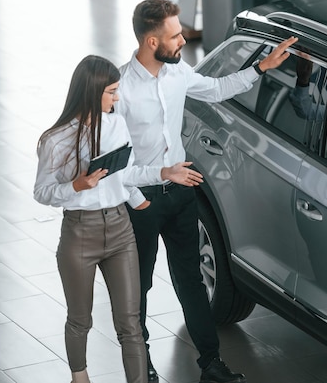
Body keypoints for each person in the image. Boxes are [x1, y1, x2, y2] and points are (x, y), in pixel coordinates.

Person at [115, 0, 297, 383]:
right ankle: (140, 364)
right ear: (151, 42)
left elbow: (215, 89)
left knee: (191, 283)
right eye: (175, 35)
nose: (183, 40)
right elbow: (115, 166)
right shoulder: (122, 91)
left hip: (181, 195)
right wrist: (141, 197)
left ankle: (210, 365)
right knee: (139, 287)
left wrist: (261, 67)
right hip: (141, 201)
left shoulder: (177, 74)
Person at [33, 55, 203, 383]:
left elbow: (127, 174)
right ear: (91, 92)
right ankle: (79, 377)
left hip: (121, 229)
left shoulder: (117, 125)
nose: (117, 98)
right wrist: (76, 186)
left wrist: (163, 173)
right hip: (80, 232)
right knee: (80, 319)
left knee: (130, 323)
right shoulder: (55, 140)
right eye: (111, 92)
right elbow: (42, 192)